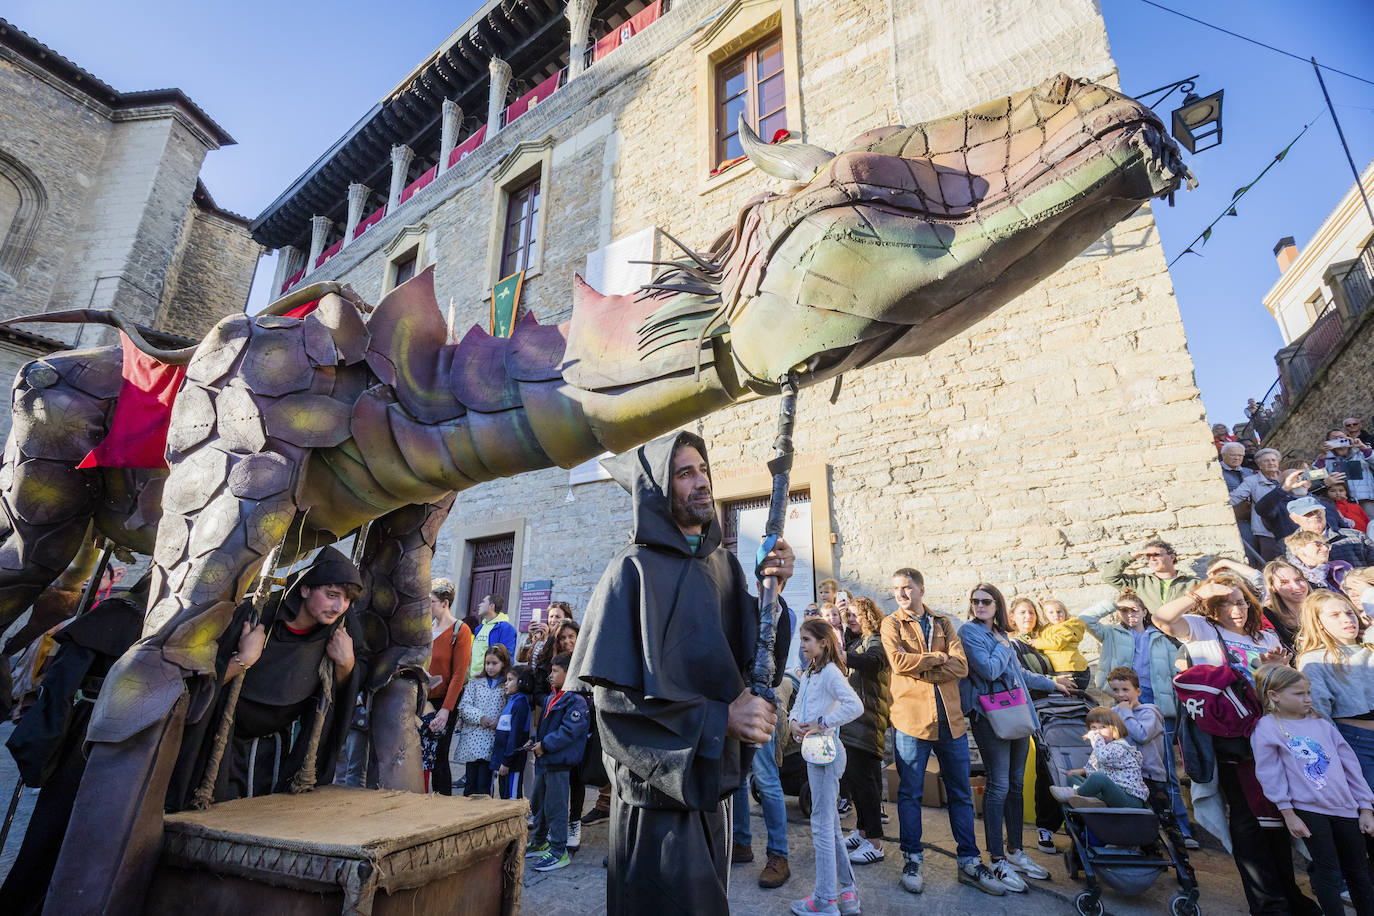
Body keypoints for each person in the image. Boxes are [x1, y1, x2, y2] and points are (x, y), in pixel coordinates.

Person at [566, 430, 794, 916]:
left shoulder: (725, 567)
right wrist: (721, 721)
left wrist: (776, 589)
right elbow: (615, 707)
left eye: (703, 470)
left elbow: (760, 660)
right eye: (684, 473)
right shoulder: (630, 570)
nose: (701, 481)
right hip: (655, 802)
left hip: (712, 787)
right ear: (657, 490)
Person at [1154, 576, 1317, 915]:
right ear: (1212, 608)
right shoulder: (1200, 628)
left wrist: (1276, 668)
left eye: (1241, 601)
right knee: (1249, 819)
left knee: (1278, 815)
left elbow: (1275, 686)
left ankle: (1289, 895)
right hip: (1235, 741)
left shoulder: (1266, 635)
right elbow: (1163, 618)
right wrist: (1200, 593)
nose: (1236, 609)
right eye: (1226, 602)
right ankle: (1268, 904)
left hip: (1275, 733)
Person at [166, 547, 362, 808]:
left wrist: (346, 664)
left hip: (276, 752)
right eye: (331, 595)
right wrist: (243, 659)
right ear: (305, 589)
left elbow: (337, 697)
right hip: (220, 741)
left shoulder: (341, 631)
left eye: (347, 600)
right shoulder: (253, 618)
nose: (340, 607)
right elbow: (193, 685)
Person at [1, 575, 145, 916]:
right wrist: (45, 746)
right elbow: (62, 683)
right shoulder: (117, 613)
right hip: (86, 738)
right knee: (54, 832)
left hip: (131, 743)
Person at [881, 568, 1003, 897]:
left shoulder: (944, 623)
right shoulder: (891, 623)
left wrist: (923, 665)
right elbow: (897, 663)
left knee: (961, 793)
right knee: (909, 793)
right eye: (896, 589)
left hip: (951, 721)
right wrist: (937, 658)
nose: (901, 594)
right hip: (911, 721)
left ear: (921, 589)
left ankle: (969, 861)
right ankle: (912, 857)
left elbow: (961, 667)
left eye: (907, 588)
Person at [959, 583, 1070, 891]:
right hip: (991, 716)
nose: (980, 605)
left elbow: (1020, 674)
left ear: (998, 606)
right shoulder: (971, 634)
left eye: (986, 601)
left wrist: (1052, 683)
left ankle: (1016, 851)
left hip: (1018, 713)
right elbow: (989, 670)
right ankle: (997, 859)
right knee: (999, 785)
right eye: (975, 601)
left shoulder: (1003, 636)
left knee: (1017, 785)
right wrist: (1002, 645)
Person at [1251, 664, 1374, 916]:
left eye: (1308, 692)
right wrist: (1288, 813)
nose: (1307, 699)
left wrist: (1366, 807)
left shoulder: (1323, 725)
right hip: (1310, 810)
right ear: (1274, 695)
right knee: (1328, 871)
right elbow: (1270, 774)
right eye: (1298, 694)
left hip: (1347, 809)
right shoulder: (1268, 727)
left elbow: (1351, 768)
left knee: (1359, 872)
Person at [1077, 588, 1196, 846]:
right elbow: (1084, 620)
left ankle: (1179, 830)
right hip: (1120, 710)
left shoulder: (1162, 637)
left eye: (1134, 609)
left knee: (1163, 773)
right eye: (1124, 610)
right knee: (1121, 767)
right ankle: (1131, 829)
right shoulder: (1111, 633)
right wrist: (1113, 603)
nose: (1130, 614)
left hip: (1156, 707)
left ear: (1144, 611)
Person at [789, 618, 864, 916]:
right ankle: (847, 894)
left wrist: (821, 723)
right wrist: (795, 723)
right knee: (830, 827)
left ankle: (824, 900)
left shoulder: (831, 672)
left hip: (826, 754)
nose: (802, 644)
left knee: (821, 826)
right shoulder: (810, 671)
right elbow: (800, 705)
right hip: (815, 751)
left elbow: (854, 706)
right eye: (802, 639)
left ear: (823, 642)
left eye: (807, 639)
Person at [1297, 590, 1374, 793]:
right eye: (1335, 615)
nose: (1347, 619)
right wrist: (1336, 753)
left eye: (1349, 613)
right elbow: (1319, 713)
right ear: (1319, 622)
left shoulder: (1371, 648)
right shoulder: (1314, 659)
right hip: (1356, 740)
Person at [1006, 597, 1064, 854]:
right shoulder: (1012, 644)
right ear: (1012, 617)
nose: (1028, 616)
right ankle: (1045, 826)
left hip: (1060, 712)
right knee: (1046, 768)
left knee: (1065, 766)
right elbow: (1021, 677)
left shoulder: (1044, 642)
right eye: (1022, 612)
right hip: (1035, 713)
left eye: (1031, 612)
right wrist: (1054, 680)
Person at [838, 596, 891, 866]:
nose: (852, 619)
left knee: (867, 785)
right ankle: (861, 832)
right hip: (854, 723)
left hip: (867, 723)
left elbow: (872, 661)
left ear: (869, 615)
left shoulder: (877, 639)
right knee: (858, 783)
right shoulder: (857, 640)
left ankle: (875, 843)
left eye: (856, 615)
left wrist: (841, 655)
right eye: (849, 615)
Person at [526, 652, 590, 872]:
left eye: (555, 671)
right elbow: (545, 728)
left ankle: (558, 850)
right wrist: (535, 742)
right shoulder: (553, 697)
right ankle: (540, 840)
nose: (550, 676)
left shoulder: (576, 700)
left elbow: (569, 731)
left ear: (569, 672)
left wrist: (546, 745)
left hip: (559, 762)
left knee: (556, 806)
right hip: (545, 761)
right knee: (539, 803)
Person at [733, 670, 796, 889]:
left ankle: (779, 855)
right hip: (731, 698)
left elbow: (772, 655)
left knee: (766, 780)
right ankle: (740, 843)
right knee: (737, 777)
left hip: (758, 697)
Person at [425, 578, 472, 795]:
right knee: (422, 755)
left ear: (445, 603)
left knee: (440, 755)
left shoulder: (459, 630)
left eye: (431, 601)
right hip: (422, 700)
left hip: (444, 700)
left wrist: (445, 710)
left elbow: (458, 674)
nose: (428, 606)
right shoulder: (426, 628)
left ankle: (442, 803)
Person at [1049, 707, 1148, 809]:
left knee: (1098, 777)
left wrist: (1097, 740)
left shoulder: (1119, 746)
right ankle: (1093, 801)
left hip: (1128, 798)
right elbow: (1094, 767)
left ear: (1115, 729)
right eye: (1094, 728)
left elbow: (1102, 759)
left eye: (1102, 727)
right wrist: (1081, 771)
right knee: (1073, 777)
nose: (1097, 732)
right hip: (1110, 794)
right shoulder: (1103, 748)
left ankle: (1075, 793)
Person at [454, 644, 510, 796]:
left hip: (492, 739)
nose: (490, 667)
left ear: (503, 663)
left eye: (494, 663)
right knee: (471, 780)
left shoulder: (507, 685)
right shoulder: (475, 682)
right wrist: (480, 717)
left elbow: (509, 707)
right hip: (473, 738)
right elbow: (464, 706)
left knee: (484, 783)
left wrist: (500, 720)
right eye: (487, 663)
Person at [1102, 539, 1200, 612]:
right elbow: (1109, 576)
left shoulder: (1194, 583)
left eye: (1156, 555)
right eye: (1148, 556)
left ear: (1172, 557)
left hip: (1184, 635)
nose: (1152, 559)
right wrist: (1132, 556)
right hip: (1152, 636)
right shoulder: (1140, 582)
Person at [1282, 493, 1374, 569]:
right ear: (1294, 518)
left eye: (1317, 511)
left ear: (1324, 512)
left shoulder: (1355, 536)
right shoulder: (1289, 546)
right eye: (1308, 513)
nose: (1314, 515)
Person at [1231, 449, 1285, 561]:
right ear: (1259, 465)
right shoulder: (1251, 481)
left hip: (1290, 526)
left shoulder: (1286, 477)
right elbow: (1234, 497)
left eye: (1273, 460)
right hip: (1266, 530)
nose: (1271, 463)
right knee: (1273, 562)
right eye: (1266, 461)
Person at [492, 664, 534, 800]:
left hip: (511, 763)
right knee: (504, 797)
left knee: (513, 799)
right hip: (504, 760)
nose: (506, 683)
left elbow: (515, 736)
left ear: (521, 682)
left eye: (510, 680)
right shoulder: (512, 701)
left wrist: (507, 761)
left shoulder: (520, 704)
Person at [1031, 599, 1089, 690]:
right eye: (1051, 612)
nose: (1056, 615)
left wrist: (1037, 643)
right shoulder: (1046, 629)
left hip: (1071, 667)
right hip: (1059, 667)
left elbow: (1057, 643)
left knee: (1071, 692)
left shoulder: (1066, 627)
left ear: (1065, 613)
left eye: (1059, 612)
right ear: (1045, 616)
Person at [1260, 558, 1310, 652]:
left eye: (1299, 579)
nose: (1297, 586)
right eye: (1284, 582)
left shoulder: (1320, 608)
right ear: (1273, 587)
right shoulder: (1268, 617)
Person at [468, 593, 517, 680]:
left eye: (483, 602)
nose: (479, 605)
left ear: (491, 606)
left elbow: (507, 658)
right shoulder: (479, 628)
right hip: (472, 680)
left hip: (491, 681)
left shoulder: (506, 628)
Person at [1221, 442, 1257, 554]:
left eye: (1240, 455)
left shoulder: (1249, 472)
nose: (1237, 458)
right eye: (1232, 455)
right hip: (1237, 517)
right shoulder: (1217, 473)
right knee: (1248, 546)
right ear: (1223, 455)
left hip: (1255, 515)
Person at [1286, 530, 1351, 593]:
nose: (1325, 549)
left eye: (1326, 545)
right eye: (1318, 544)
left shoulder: (1343, 567)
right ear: (1299, 549)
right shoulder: (1290, 574)